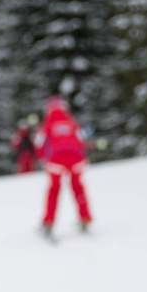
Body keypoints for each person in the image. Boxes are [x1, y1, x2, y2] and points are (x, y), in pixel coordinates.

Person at [36, 96, 93, 240]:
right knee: (78, 187)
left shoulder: (47, 124)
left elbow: (39, 143)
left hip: (56, 161)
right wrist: (83, 156)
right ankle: (85, 218)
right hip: (76, 159)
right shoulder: (71, 122)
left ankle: (48, 222)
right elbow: (81, 140)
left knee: (54, 190)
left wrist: (43, 158)